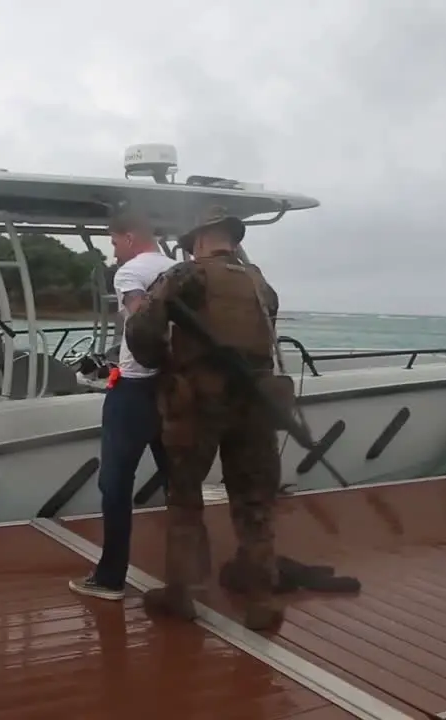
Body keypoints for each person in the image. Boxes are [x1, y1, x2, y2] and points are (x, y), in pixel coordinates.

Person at [123, 205, 285, 631]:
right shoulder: (259, 282)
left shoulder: (186, 276)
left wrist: (166, 364)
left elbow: (142, 333)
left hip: (198, 400)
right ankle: (263, 599)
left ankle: (183, 593)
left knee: (185, 496)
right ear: (233, 238)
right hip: (255, 402)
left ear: (196, 239)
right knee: (254, 502)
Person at [69, 210, 177, 601]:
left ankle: (110, 577)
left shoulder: (130, 272)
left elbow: (141, 327)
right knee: (177, 483)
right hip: (174, 389)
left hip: (133, 389)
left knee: (114, 484)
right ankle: (189, 571)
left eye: (114, 242)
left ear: (130, 238)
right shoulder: (179, 269)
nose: (113, 250)